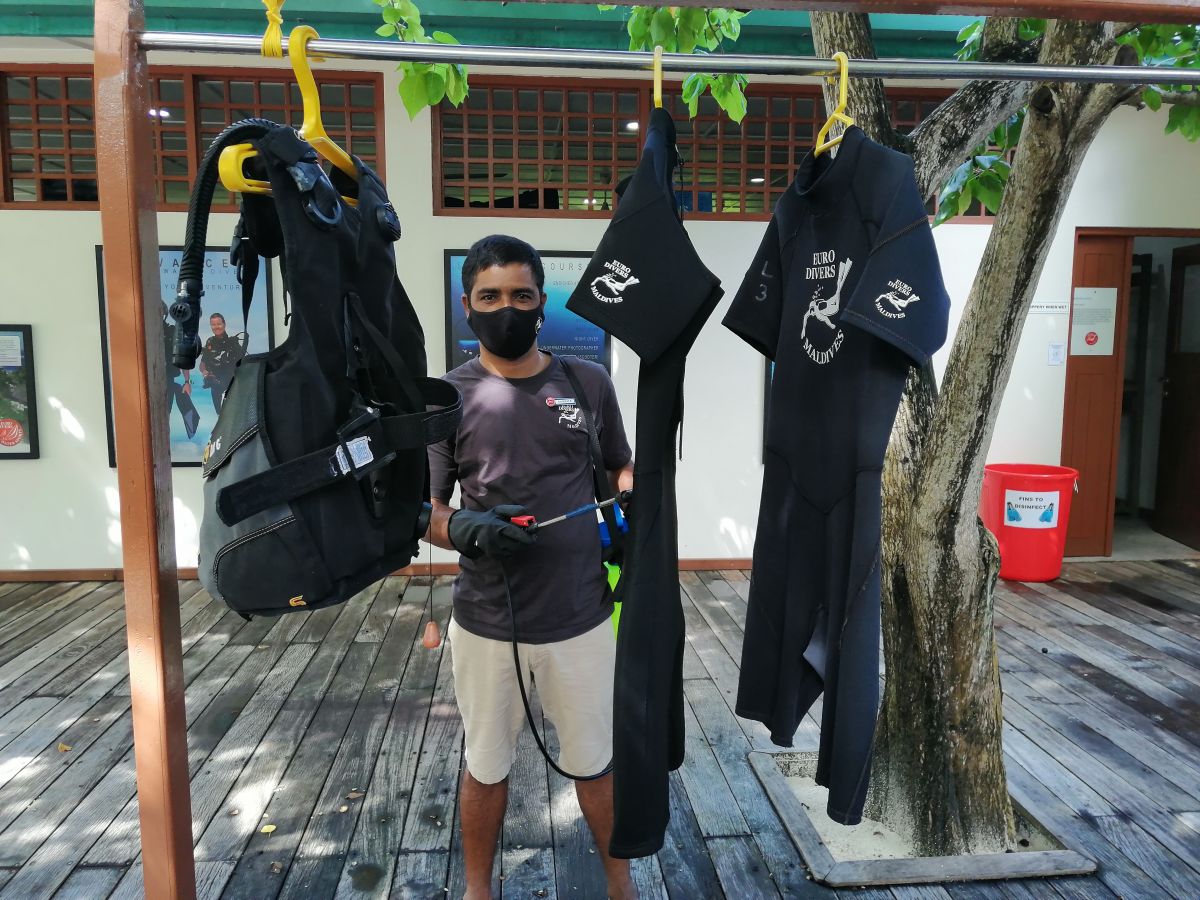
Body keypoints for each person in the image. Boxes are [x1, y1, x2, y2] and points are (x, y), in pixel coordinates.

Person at [423, 235, 636, 900]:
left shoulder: (587, 383)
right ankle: (478, 890)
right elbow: (418, 509)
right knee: (485, 768)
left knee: (596, 767)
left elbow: (617, 467)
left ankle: (621, 888)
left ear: (542, 303)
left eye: (521, 295)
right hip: (487, 622)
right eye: (490, 297)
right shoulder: (445, 399)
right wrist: (462, 527)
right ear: (468, 306)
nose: (506, 309)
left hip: (581, 616)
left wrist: (631, 501)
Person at [198, 312, 246, 414]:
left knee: (231, 415)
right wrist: (205, 372)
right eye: (213, 324)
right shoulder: (209, 342)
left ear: (224, 324)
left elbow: (243, 364)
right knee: (220, 415)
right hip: (214, 385)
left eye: (219, 324)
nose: (216, 327)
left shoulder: (232, 342)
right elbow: (202, 364)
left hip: (230, 386)